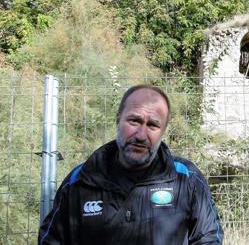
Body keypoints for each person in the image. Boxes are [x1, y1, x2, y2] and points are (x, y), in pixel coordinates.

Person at [38, 85, 224, 245]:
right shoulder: (80, 181)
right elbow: (52, 240)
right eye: (134, 121)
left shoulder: (187, 178)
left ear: (163, 131)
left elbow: (208, 238)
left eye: (152, 125)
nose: (141, 135)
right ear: (118, 120)